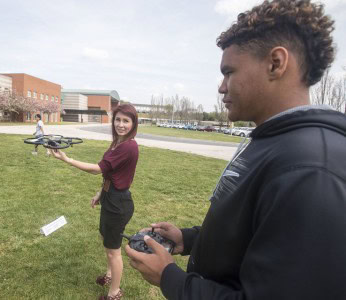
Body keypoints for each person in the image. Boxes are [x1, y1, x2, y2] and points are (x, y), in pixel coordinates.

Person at [125, 0, 346, 299]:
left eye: (229, 72)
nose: (221, 87)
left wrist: (171, 279)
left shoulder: (310, 169)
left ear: (276, 63)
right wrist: (188, 240)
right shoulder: (274, 139)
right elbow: (256, 236)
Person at [51, 104, 139, 300]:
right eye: (118, 119)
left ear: (133, 124)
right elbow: (110, 172)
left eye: (126, 121)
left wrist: (67, 160)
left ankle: (114, 293)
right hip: (111, 198)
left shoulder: (128, 146)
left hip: (118, 203)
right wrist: (101, 192)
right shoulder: (119, 143)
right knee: (106, 241)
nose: (121, 124)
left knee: (113, 250)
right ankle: (109, 275)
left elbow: (97, 169)